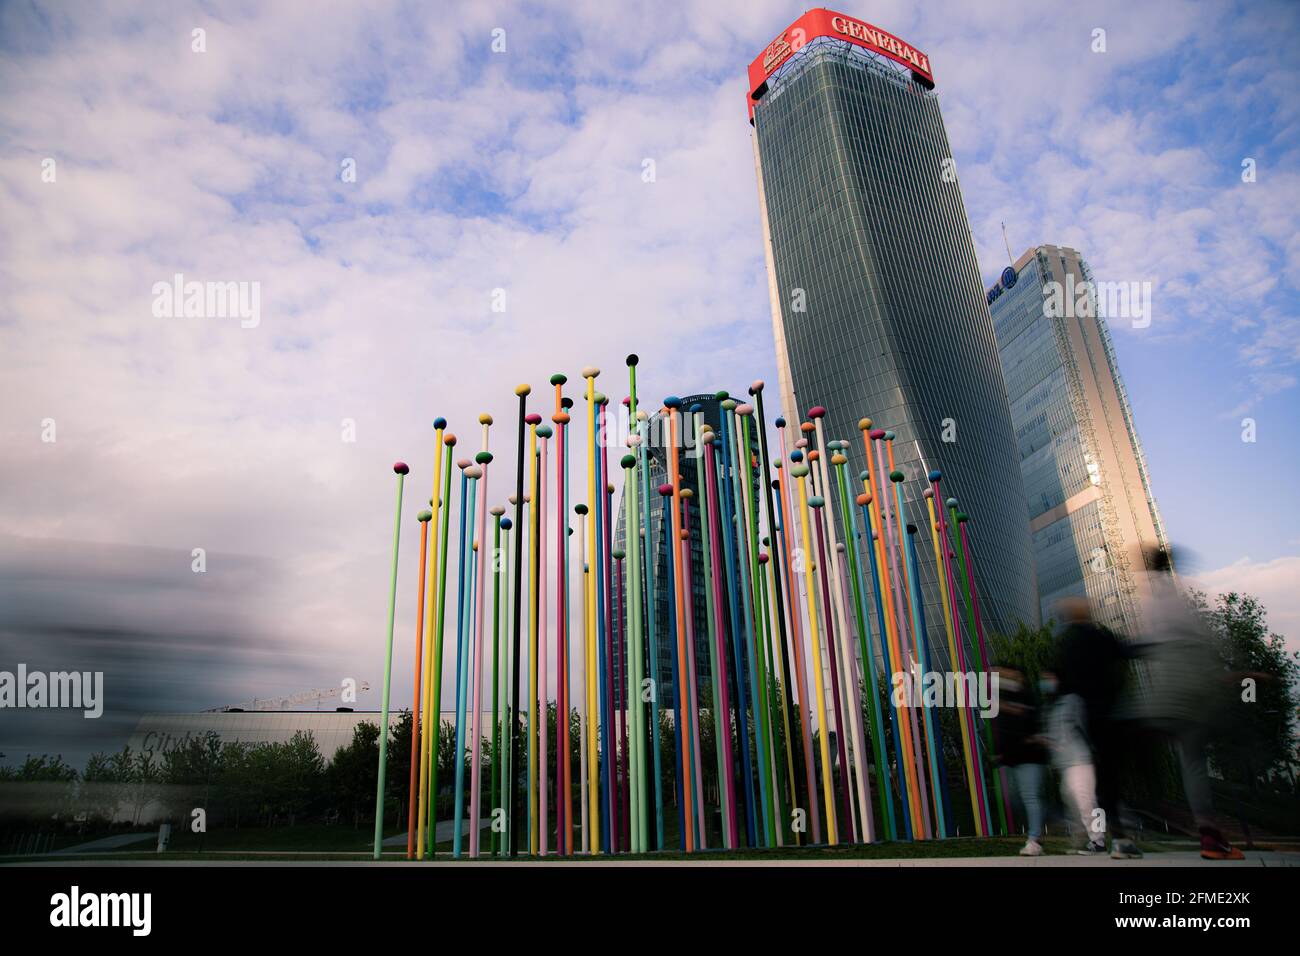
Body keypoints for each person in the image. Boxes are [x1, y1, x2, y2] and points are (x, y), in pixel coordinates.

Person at [1117, 547, 1245, 860]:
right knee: (1193, 761)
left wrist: (1123, 649)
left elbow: (1149, 642)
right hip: (1192, 696)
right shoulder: (1180, 597)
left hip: (1167, 698)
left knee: (1138, 751)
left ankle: (1122, 819)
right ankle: (1209, 834)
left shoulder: (1153, 600)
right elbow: (1208, 641)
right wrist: (1236, 671)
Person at [1052, 596, 1140, 859]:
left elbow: (1060, 686)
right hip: (1106, 718)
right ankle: (1114, 838)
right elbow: (1127, 652)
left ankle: (1105, 839)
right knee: (1104, 783)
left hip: (1084, 726)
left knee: (1093, 788)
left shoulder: (1067, 642)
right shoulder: (1098, 636)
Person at [1041, 670, 1106, 854]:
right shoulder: (1052, 706)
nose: (1046, 682)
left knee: (1086, 801)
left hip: (1080, 759)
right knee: (1072, 803)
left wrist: (1094, 751)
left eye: (1049, 678)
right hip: (1066, 763)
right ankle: (1082, 841)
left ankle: (1098, 840)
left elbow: (1084, 725)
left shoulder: (1072, 701)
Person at [991, 666, 1049, 856]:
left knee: (1030, 797)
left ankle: (1034, 840)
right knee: (1011, 796)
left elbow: (1027, 717)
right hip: (1010, 759)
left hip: (1030, 757)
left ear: (1017, 675)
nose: (1000, 678)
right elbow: (1002, 729)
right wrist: (999, 753)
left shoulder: (1027, 697)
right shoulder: (1004, 699)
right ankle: (1051, 816)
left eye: (1003, 674)